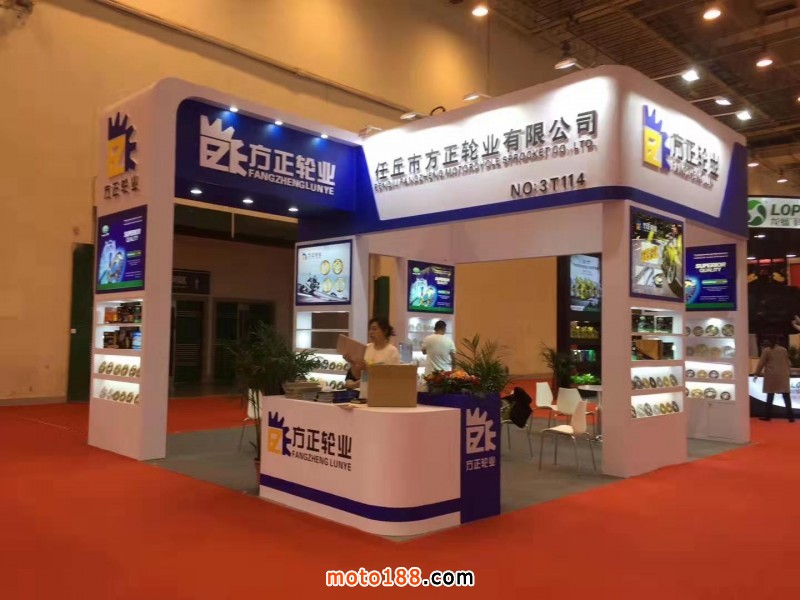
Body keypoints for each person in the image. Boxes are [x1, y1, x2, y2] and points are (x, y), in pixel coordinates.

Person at [344, 318, 400, 398]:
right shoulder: (366, 348)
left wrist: (367, 367)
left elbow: (393, 378)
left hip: (382, 395)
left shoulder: (392, 351)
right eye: (370, 329)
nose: (371, 332)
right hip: (364, 395)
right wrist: (352, 362)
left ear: (385, 331)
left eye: (374, 329)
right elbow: (358, 376)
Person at [753, 338, 795, 422]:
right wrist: (788, 373)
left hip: (771, 375)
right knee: (786, 396)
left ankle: (767, 416)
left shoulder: (766, 351)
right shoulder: (784, 350)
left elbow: (761, 363)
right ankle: (790, 417)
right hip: (783, 375)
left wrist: (756, 374)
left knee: (770, 396)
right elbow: (788, 363)